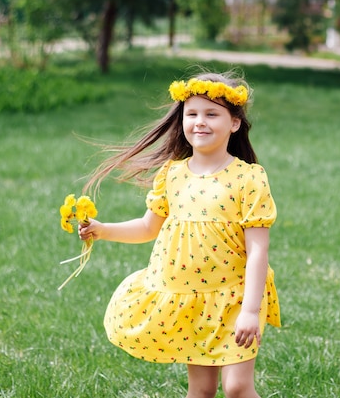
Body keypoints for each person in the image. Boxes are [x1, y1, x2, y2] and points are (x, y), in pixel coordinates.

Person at [79, 70, 281, 398]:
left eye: (212, 114)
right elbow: (148, 227)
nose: (200, 122)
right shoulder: (172, 174)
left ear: (234, 123)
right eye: (192, 114)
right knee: (200, 389)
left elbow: (258, 251)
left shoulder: (249, 178)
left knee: (237, 387)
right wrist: (102, 230)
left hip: (234, 297)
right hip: (192, 301)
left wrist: (249, 310)